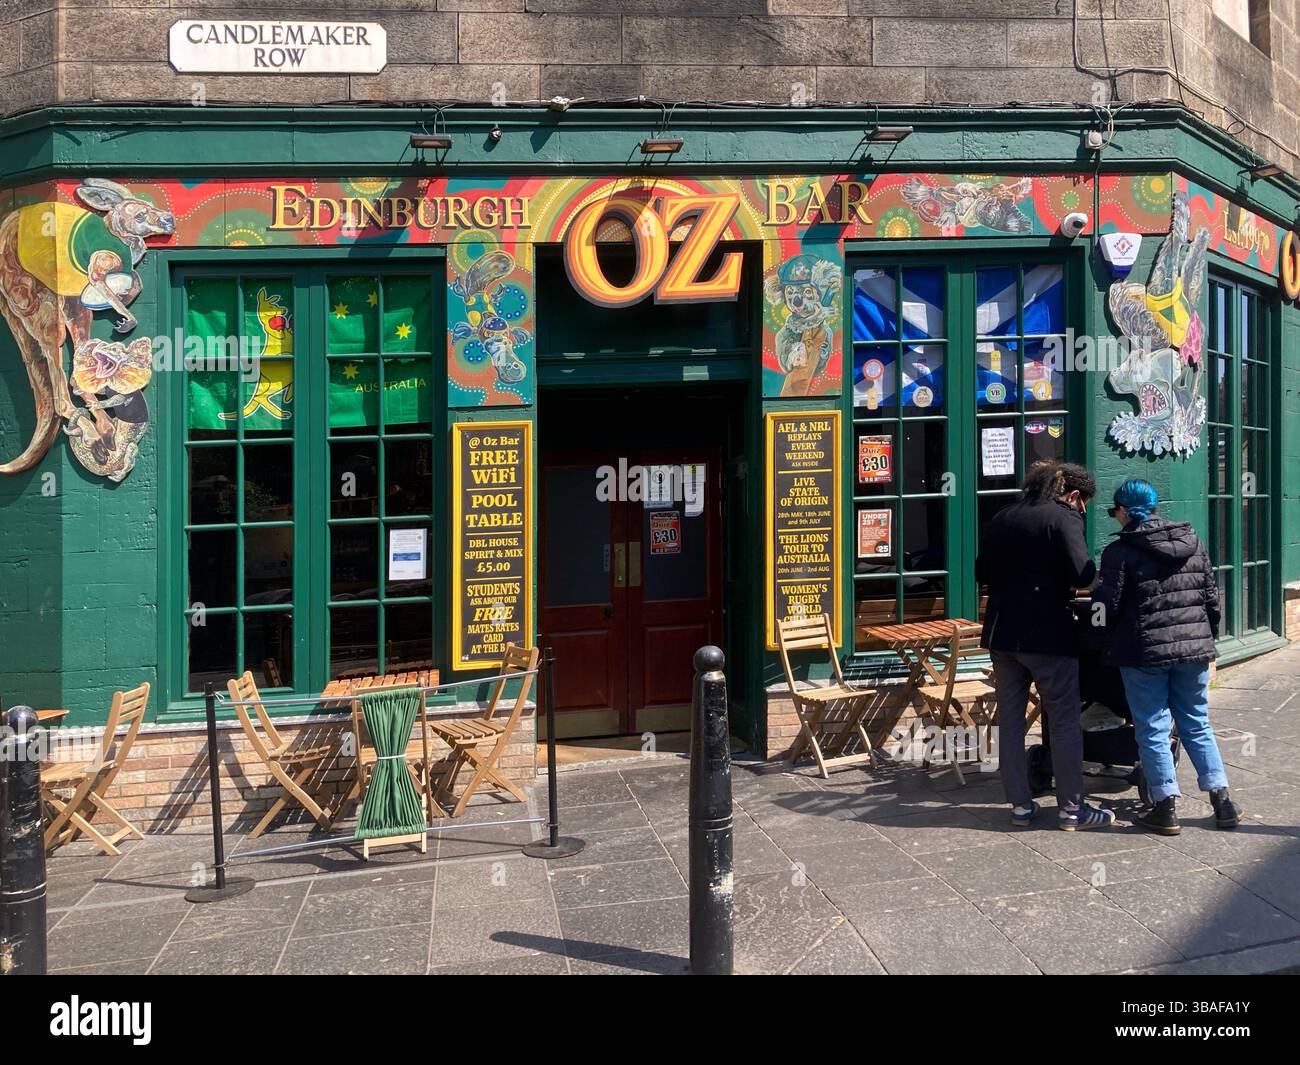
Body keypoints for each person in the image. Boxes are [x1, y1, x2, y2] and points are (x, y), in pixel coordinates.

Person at [1092, 478, 1239, 834]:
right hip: (1193, 648)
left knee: (1153, 725)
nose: (1115, 518)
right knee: (1196, 721)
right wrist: (1206, 637)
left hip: (1144, 652)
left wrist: (1095, 618)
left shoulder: (1120, 552)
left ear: (1126, 511)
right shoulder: (1192, 542)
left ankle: (1165, 806)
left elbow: (1106, 607)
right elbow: (1210, 598)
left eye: (1115, 512)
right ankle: (1222, 801)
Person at [976, 461, 1115, 831]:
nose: (1081, 508)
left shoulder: (1003, 516)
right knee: (1064, 720)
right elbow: (1083, 573)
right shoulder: (1064, 518)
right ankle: (1072, 809)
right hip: (1048, 636)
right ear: (1072, 494)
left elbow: (980, 572)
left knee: (1010, 720)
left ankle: (1020, 806)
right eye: (1081, 501)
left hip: (1002, 634)